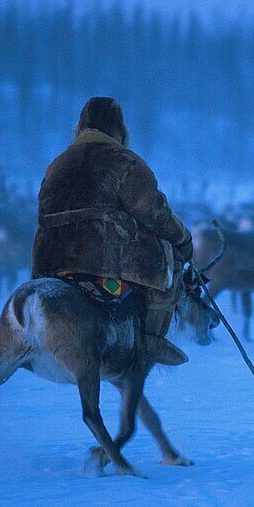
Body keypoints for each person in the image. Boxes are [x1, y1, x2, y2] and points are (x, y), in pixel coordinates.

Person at [31, 97, 194, 366]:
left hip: (50, 259)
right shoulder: (124, 163)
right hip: (101, 257)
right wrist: (182, 238)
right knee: (167, 257)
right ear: (118, 127)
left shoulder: (57, 164)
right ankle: (152, 338)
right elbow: (154, 211)